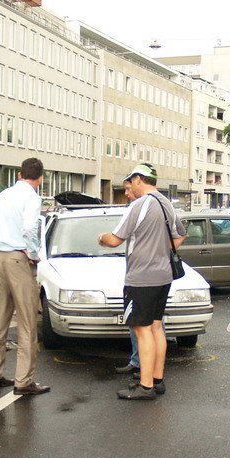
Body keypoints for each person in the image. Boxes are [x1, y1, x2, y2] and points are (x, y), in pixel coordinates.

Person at [98, 164, 185, 400]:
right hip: (163, 275)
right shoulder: (167, 203)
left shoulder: (140, 205)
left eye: (130, 183)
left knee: (142, 329)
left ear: (138, 179)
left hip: (141, 277)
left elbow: (115, 240)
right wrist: (160, 252)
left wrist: (101, 238)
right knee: (156, 326)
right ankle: (157, 380)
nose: (129, 189)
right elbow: (181, 234)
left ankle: (145, 386)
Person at [0, 157, 50, 397]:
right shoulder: (32, 198)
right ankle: (23, 381)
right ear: (40, 179)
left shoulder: (4, 195)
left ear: (19, 174)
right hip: (18, 258)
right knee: (27, 320)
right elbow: (29, 228)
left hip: (0, 257)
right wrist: (33, 253)